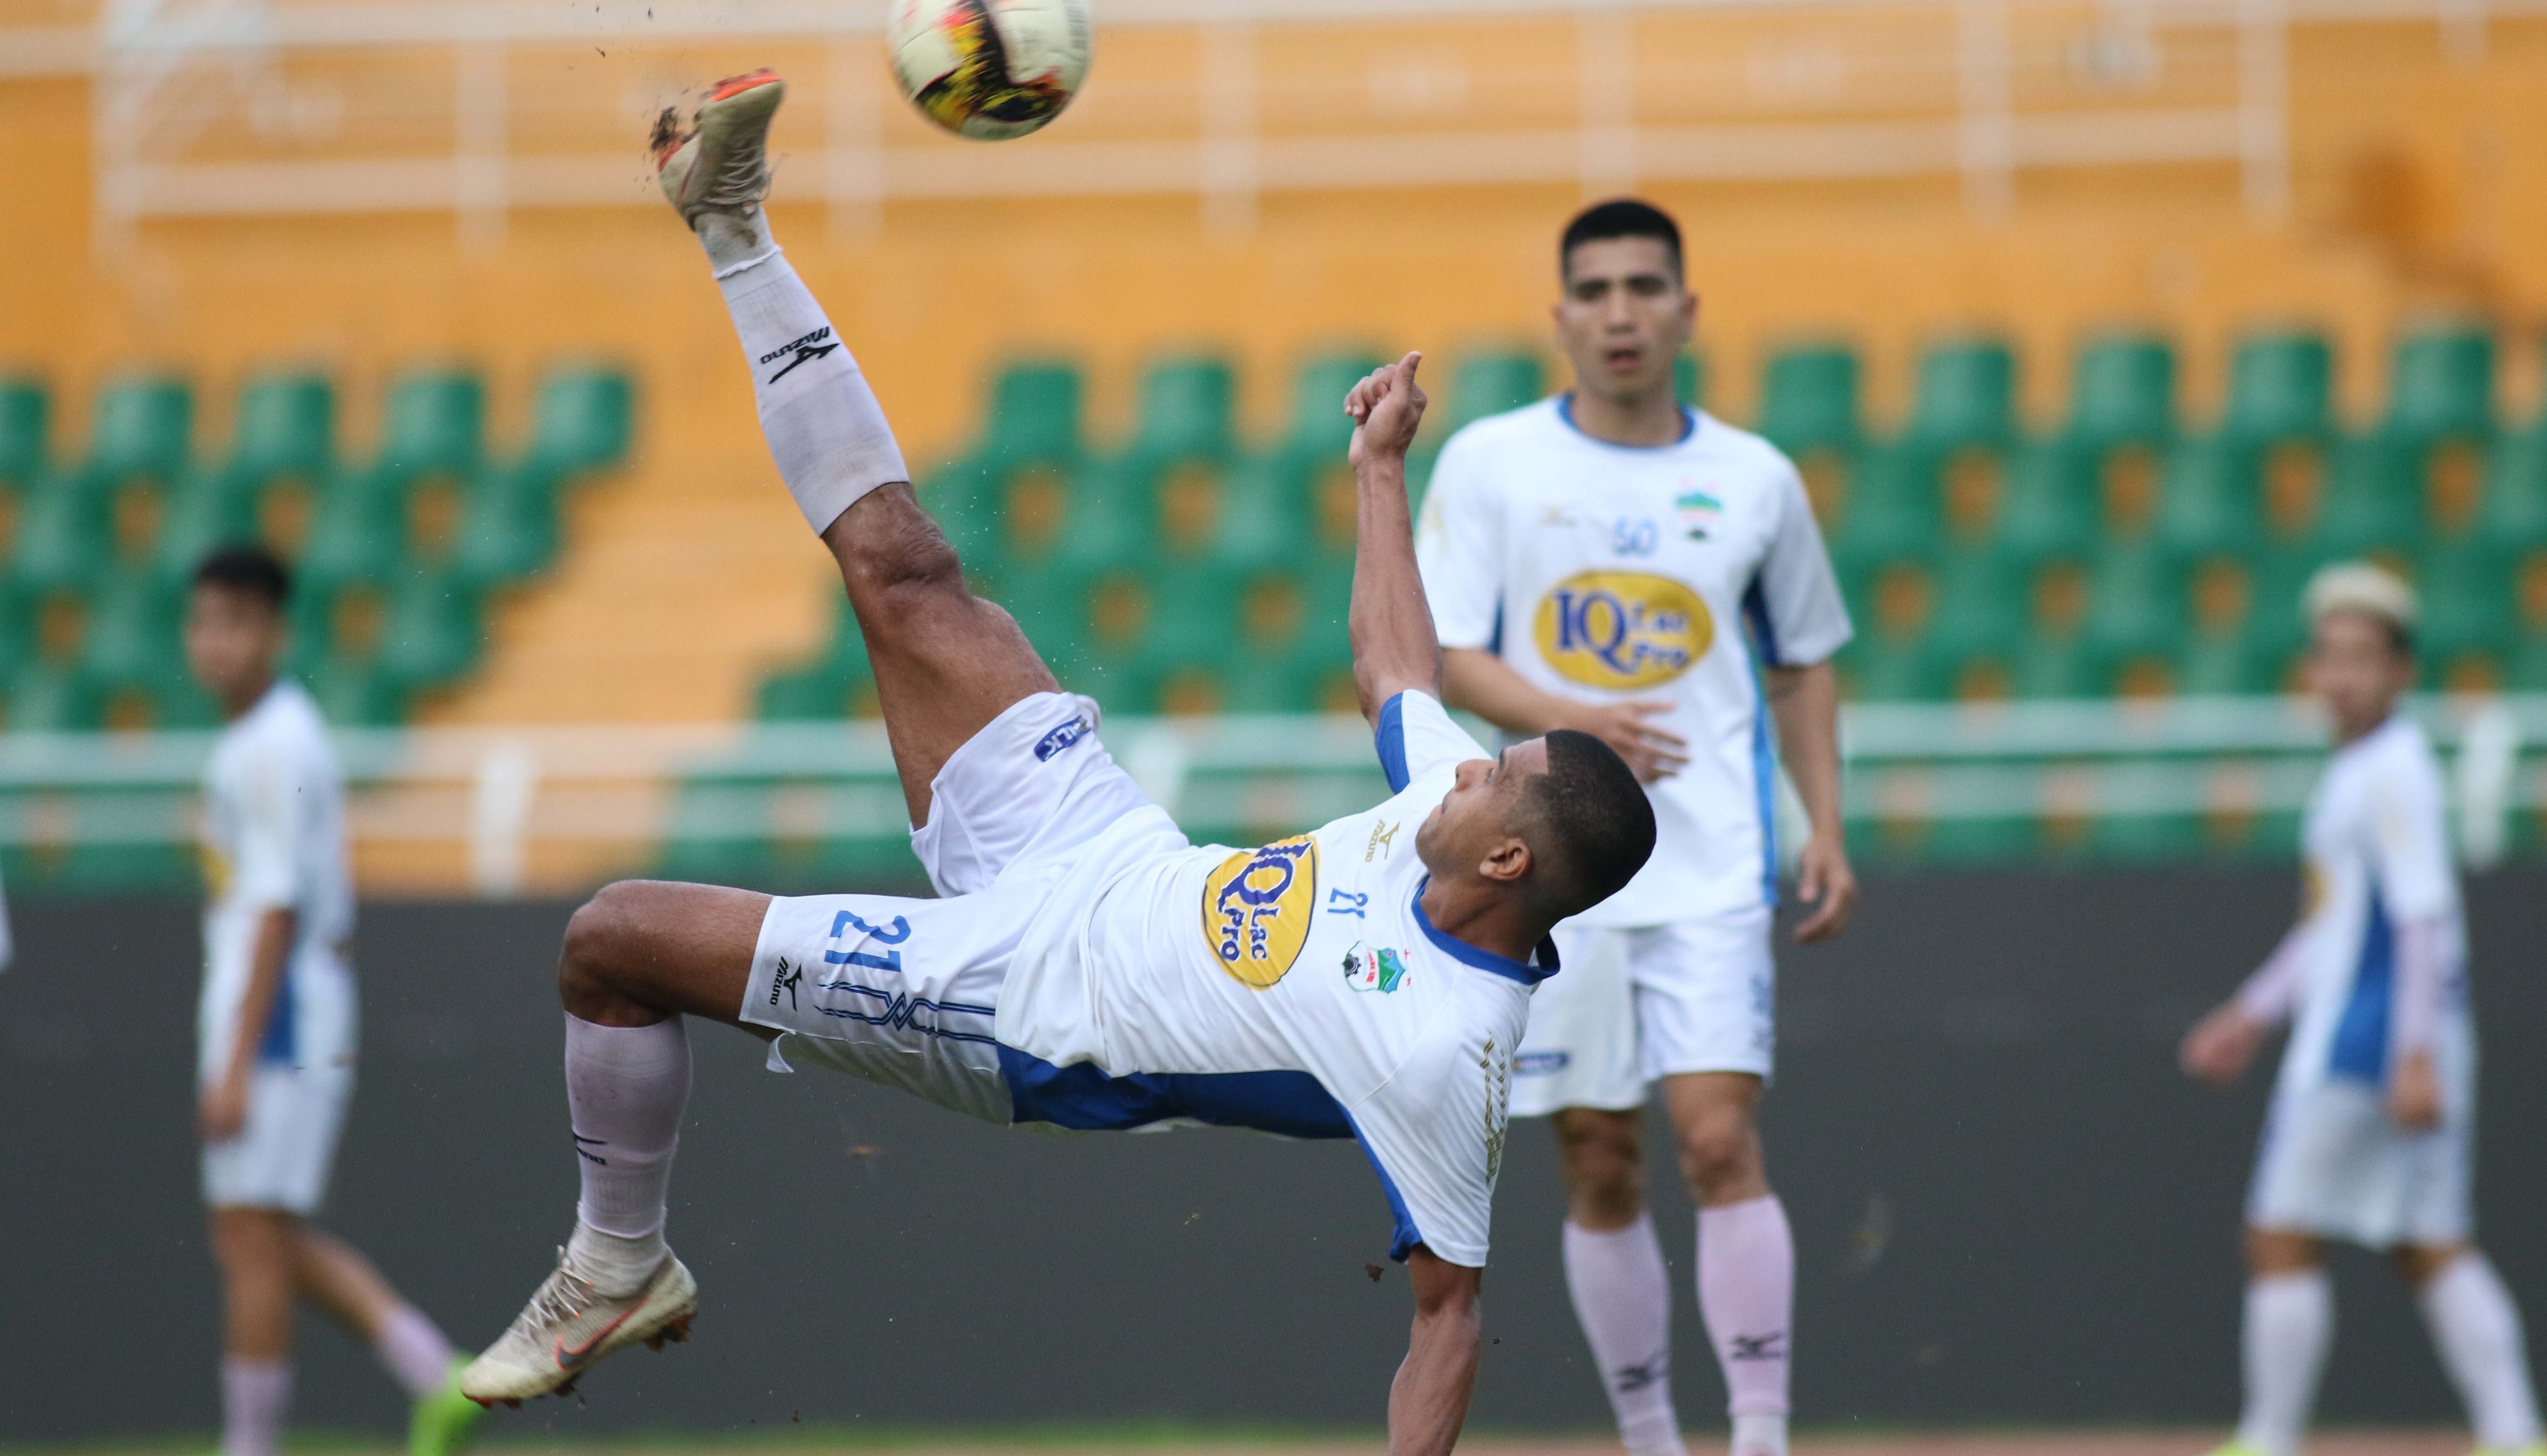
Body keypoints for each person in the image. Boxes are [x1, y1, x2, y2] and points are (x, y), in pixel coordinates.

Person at [458, 71, 1659, 1454]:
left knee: (613, 940)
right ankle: (732, 222)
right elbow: (1399, 674)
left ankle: (617, 1261)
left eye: (1491, 777)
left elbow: (1446, 1323)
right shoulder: (1449, 821)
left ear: (1506, 856)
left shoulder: (1447, 1050)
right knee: (906, 573)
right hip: (1101, 854)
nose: (1458, 770)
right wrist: (1379, 470)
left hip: (1024, 1005)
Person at [1415, 199, 1856, 1456]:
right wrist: (1576, 718)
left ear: (1686, 311)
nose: (1621, 312)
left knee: (1718, 1137)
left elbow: (1803, 663)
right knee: (1601, 1155)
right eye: (1597, 290)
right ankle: (1653, 1437)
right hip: (1562, 880)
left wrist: (1825, 825)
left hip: (1713, 863)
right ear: (1561, 317)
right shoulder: (1495, 462)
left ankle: (1760, 1438)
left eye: (1645, 287)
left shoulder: (1756, 480)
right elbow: (1446, 652)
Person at [2181, 563, 2541, 1456]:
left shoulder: (2389, 774)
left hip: (2364, 1042)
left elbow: (2421, 915)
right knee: (2429, 1242)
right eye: (2328, 657)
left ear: (2402, 671)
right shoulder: (2369, 769)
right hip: (2405, 1037)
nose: (2340, 676)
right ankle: (2514, 1434)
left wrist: (2410, 1053)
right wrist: (2254, 1011)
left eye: (2362, 658)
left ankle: (2268, 1440)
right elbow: (2335, 924)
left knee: (2280, 1234)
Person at [186, 544, 483, 1456]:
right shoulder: (254, 740)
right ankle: (435, 1374)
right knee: (262, 1234)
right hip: (278, 1014)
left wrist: (237, 1061)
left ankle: (251, 1445)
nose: (214, 642)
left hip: (280, 1022)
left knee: (251, 1237)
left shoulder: (276, 743)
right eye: (203, 622)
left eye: (236, 623)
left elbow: (277, 908)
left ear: (276, 632)